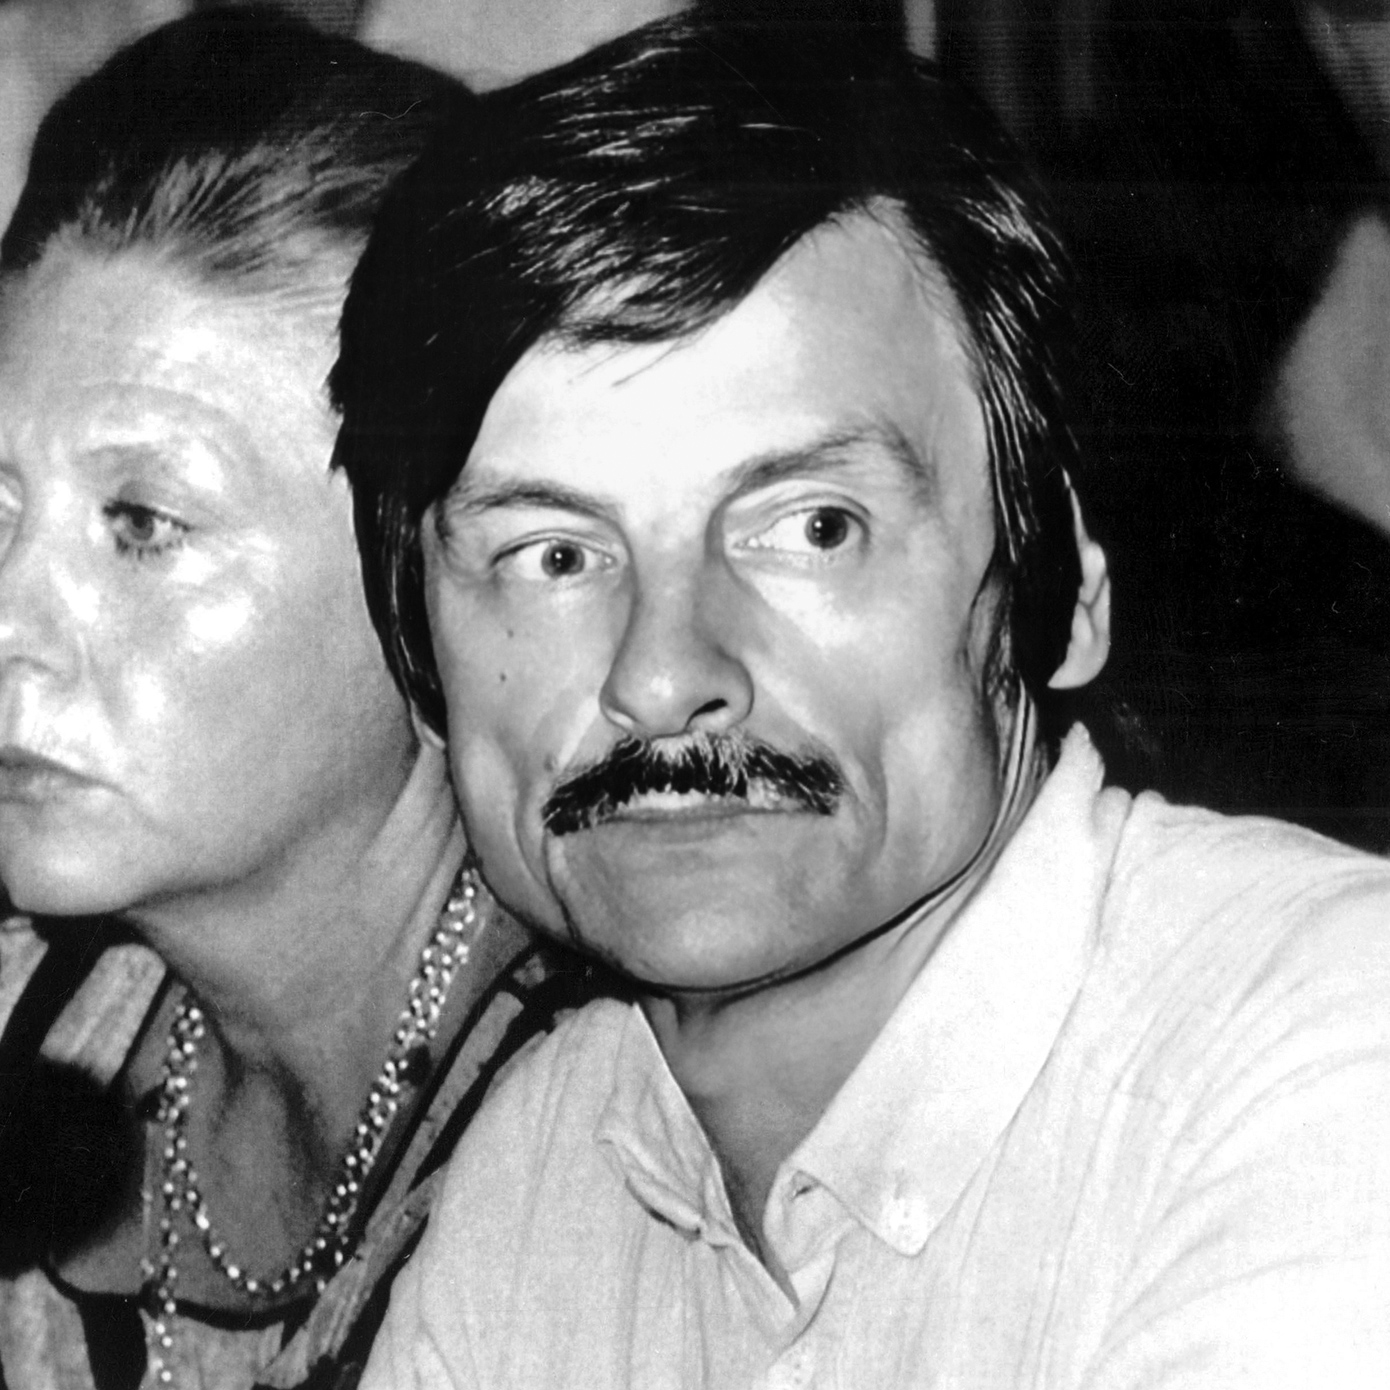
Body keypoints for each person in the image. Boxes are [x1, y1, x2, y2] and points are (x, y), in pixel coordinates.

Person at [336, 13, 1390, 1388]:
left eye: (813, 527)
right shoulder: (550, 1165)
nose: (663, 675)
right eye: (554, 555)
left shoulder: (1323, 1044)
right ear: (421, 664)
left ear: (1061, 594)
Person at [0, 11, 583, 1389]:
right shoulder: (37, 1013)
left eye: (143, 523)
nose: (9, 623)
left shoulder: (614, 1153)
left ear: (437, 576)